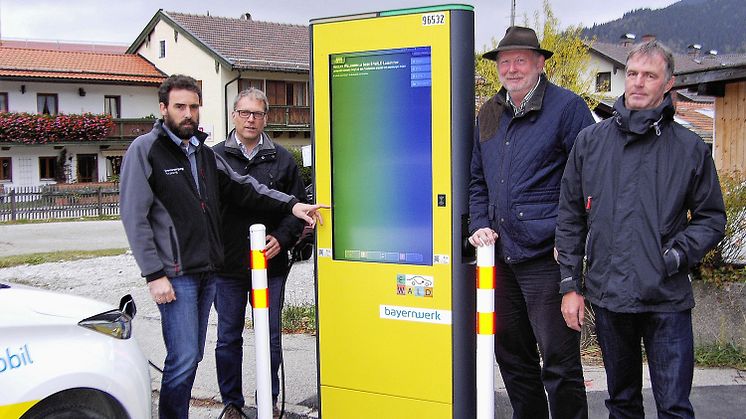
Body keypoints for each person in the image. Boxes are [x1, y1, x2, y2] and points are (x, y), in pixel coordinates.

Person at [120, 74, 324, 419]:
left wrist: (292, 206)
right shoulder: (146, 149)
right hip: (177, 274)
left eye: (194, 107)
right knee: (184, 358)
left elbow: (243, 186)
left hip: (209, 271)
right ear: (163, 108)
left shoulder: (200, 152)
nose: (188, 113)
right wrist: (155, 274)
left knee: (192, 356)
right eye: (180, 106)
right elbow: (134, 216)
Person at [555, 41, 726, 418]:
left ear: (668, 83)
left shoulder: (689, 148)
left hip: (666, 298)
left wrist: (677, 255)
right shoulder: (591, 143)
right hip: (609, 295)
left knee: (675, 407)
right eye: (632, 73)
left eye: (649, 75)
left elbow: (712, 216)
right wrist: (571, 285)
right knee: (622, 404)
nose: (637, 82)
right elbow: (569, 217)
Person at [469, 26, 594, 419]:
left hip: (547, 257)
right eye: (504, 61)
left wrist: (573, 243)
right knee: (512, 359)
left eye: (521, 59)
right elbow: (477, 179)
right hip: (500, 259)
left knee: (559, 363)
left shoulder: (568, 108)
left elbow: (589, 180)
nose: (511, 68)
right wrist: (478, 222)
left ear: (540, 63)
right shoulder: (489, 112)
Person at [212, 88, 306, 418]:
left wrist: (283, 238)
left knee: (271, 337)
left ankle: (269, 398)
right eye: (245, 113)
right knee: (227, 339)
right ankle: (232, 405)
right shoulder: (215, 157)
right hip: (227, 267)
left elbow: (295, 208)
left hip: (271, 266)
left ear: (267, 118)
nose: (251, 119)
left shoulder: (283, 159)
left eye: (258, 114)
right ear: (234, 115)